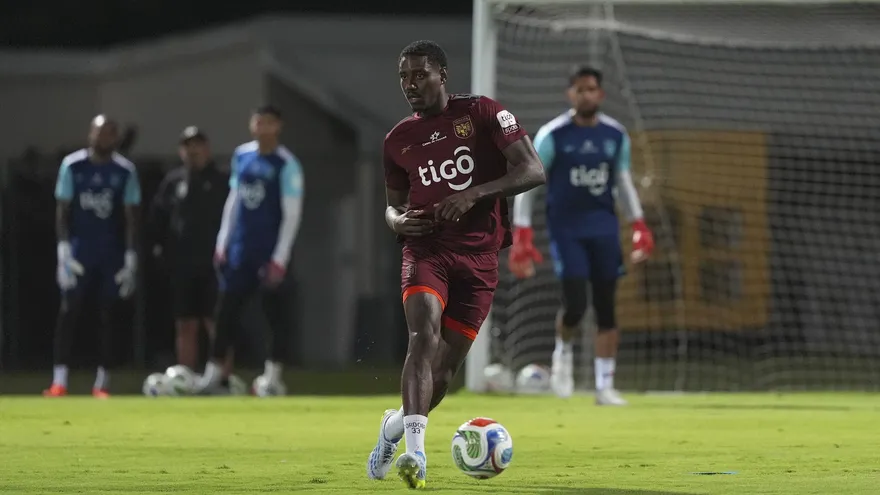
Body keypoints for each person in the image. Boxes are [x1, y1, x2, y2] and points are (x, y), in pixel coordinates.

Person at [366, 40, 545, 489]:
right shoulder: (396, 140)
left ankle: (393, 429)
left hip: (481, 258)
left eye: (420, 74)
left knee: (443, 373)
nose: (410, 84)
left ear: (442, 75)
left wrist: (475, 193)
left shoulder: (482, 114)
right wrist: (397, 222)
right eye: (404, 76)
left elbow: (533, 170)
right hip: (427, 252)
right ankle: (416, 455)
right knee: (420, 337)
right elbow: (392, 207)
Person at [509, 66, 655, 405]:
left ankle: (604, 387)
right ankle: (562, 354)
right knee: (575, 304)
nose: (585, 95)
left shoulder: (615, 135)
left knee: (606, 307)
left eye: (591, 89)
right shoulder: (553, 135)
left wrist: (639, 224)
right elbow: (528, 183)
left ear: (600, 94)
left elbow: (622, 181)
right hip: (566, 229)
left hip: (603, 226)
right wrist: (523, 231)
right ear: (570, 94)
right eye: (579, 89)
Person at [196, 105, 304, 395]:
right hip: (239, 250)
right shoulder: (241, 155)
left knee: (274, 316)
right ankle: (213, 374)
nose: (263, 128)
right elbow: (234, 200)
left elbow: (291, 214)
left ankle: (272, 376)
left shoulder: (286, 164)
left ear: (278, 127)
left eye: (269, 123)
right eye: (259, 122)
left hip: (268, 252)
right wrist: (223, 242)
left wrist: (280, 258)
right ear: (252, 125)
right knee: (225, 312)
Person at [45, 115, 141, 398]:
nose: (105, 138)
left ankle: (102, 382)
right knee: (69, 312)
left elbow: (131, 216)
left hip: (110, 251)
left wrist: (131, 257)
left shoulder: (125, 170)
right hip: (79, 249)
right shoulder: (73, 166)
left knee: (107, 314)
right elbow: (62, 209)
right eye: (101, 132)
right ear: (90, 135)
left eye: (111, 133)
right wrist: (63, 250)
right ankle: (59, 379)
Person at [151, 126, 232, 384]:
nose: (193, 150)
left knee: (215, 322)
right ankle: (185, 378)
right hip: (182, 264)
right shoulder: (174, 181)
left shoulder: (222, 181)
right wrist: (159, 249)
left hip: (214, 263)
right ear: (181, 151)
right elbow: (159, 218)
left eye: (198, 144)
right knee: (185, 323)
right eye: (188, 146)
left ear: (207, 148)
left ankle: (222, 378)